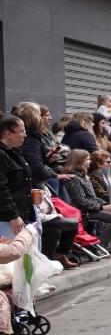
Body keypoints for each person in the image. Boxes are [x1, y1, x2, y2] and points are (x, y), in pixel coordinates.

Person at [0, 115, 78, 269]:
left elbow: (20, 181)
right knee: (11, 260)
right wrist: (13, 216)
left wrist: (31, 192)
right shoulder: (2, 155)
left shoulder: (15, 152)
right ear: (7, 133)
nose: (25, 135)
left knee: (24, 260)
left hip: (23, 213)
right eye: (21, 131)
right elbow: (2, 190)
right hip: (7, 218)